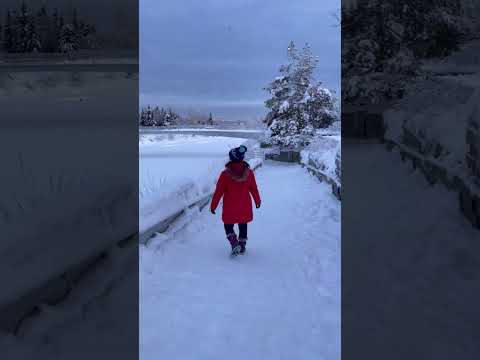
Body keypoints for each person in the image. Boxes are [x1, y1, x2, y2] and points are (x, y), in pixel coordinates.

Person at [210, 145, 261, 256]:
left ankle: (234, 242)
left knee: (228, 225)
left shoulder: (224, 175)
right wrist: (257, 201)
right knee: (243, 224)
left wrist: (213, 206)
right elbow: (253, 188)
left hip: (230, 207)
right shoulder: (249, 173)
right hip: (245, 206)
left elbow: (218, 192)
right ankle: (242, 246)